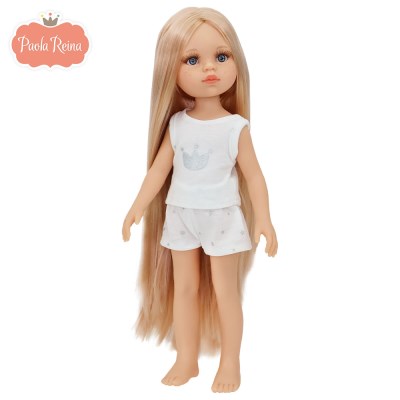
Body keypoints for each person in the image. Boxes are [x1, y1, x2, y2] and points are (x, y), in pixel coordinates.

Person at [122, 7, 278, 393]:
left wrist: (264, 218)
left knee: (226, 292)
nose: (210, 68)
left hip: (222, 217)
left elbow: (254, 175)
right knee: (184, 289)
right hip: (180, 215)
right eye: (192, 60)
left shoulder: (235, 127)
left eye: (221, 56)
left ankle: (230, 362)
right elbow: (158, 172)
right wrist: (137, 206)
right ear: (170, 70)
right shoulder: (177, 124)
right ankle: (186, 358)